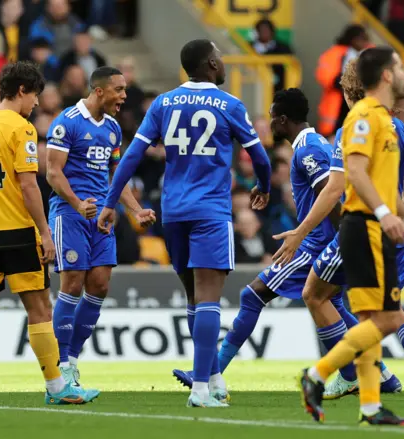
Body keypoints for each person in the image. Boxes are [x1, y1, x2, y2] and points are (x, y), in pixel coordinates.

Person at [97, 39, 272, 408]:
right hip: (210, 210)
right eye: (220, 58)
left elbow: (130, 156)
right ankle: (201, 391)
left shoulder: (163, 102)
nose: (223, 62)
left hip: (173, 212)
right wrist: (264, 187)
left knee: (193, 298)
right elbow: (261, 158)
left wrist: (112, 203)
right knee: (209, 298)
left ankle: (212, 377)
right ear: (210, 64)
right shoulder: (230, 105)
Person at [274, 58, 404, 402]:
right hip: (393, 233)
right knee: (387, 314)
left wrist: (301, 231)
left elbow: (337, 187)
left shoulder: (352, 126)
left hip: (361, 229)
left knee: (316, 294)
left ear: (348, 88)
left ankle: (334, 374)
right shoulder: (399, 128)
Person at [169, 88, 359, 394]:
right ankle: (381, 374)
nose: (270, 125)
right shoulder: (314, 145)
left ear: (283, 120)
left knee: (253, 295)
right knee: (334, 304)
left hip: (316, 244)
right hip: (325, 241)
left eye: (272, 119)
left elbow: (332, 195)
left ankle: (210, 370)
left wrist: (335, 243)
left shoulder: (308, 151)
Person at [0, 61, 99, 408]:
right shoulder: (22, 129)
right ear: (21, 91)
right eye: (34, 96)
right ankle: (57, 387)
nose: (35, 103)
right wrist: (45, 233)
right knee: (40, 309)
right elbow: (29, 184)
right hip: (17, 230)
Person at [299, 47, 404, 426]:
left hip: (380, 225)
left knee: (372, 318)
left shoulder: (387, 123)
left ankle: (370, 406)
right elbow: (354, 174)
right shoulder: (360, 117)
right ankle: (317, 374)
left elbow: (389, 186)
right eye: (400, 67)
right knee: (388, 318)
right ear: (386, 75)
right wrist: (388, 215)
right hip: (364, 227)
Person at [46, 66, 156, 388]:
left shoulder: (113, 129)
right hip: (69, 212)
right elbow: (53, 173)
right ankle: (61, 363)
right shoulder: (67, 122)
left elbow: (116, 176)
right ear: (99, 91)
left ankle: (74, 359)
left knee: (100, 285)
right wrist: (78, 203)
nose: (124, 96)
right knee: (73, 283)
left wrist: (135, 210)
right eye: (119, 90)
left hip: (101, 217)